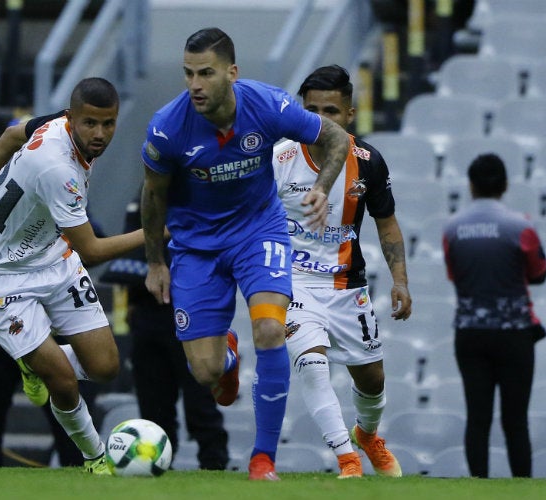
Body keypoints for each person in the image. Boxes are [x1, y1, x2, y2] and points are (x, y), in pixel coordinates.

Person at [140, 27, 350, 481]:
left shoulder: (268, 105)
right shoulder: (167, 127)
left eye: (206, 74)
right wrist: (157, 262)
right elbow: (153, 197)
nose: (195, 84)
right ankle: (228, 359)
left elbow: (337, 139)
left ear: (231, 74)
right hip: (195, 246)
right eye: (189, 74)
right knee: (204, 373)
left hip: (259, 230)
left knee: (272, 329)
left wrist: (322, 186)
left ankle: (262, 459)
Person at [0, 77, 147, 475]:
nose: (100, 134)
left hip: (53, 260)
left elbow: (8, 135)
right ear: (70, 118)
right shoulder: (58, 168)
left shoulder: (54, 124)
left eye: (108, 123)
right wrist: (156, 232)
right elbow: (91, 250)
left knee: (106, 367)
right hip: (1, 276)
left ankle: (38, 363)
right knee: (63, 381)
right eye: (90, 123)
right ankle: (96, 459)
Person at [273, 65, 410, 478]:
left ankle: (367, 436)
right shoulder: (279, 158)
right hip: (292, 281)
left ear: (349, 113)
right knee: (312, 365)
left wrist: (400, 279)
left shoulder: (367, 161)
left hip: (347, 285)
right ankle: (346, 459)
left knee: (372, 381)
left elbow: (386, 222)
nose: (320, 119)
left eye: (330, 110)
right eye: (311, 109)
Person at [102, 188, 229, 470]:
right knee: (153, 401)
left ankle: (214, 465)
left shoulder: (202, 193)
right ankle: (158, 464)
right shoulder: (144, 196)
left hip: (192, 309)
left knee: (200, 400)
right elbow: (133, 253)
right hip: (147, 311)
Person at [442, 153, 546, 478]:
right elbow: (539, 273)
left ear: (471, 185)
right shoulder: (521, 226)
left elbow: (454, 275)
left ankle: (478, 488)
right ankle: (522, 488)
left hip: (470, 333)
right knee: (515, 419)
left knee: (478, 417)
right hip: (514, 333)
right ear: (505, 185)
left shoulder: (453, 228)